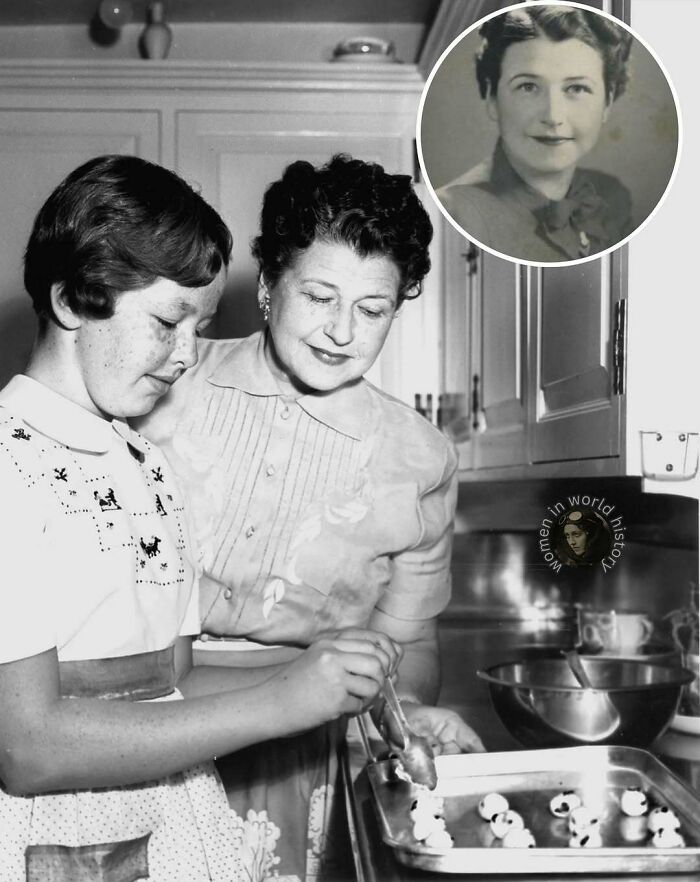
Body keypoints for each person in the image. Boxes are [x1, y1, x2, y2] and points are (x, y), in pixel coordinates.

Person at [0, 154, 400, 882]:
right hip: (50, 849)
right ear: (70, 300)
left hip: (176, 831)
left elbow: (171, 682)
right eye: (166, 322)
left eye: (203, 326)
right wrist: (281, 701)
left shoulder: (145, 463)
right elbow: (28, 747)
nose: (187, 356)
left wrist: (326, 679)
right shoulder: (8, 466)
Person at [137, 153, 485, 881]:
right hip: (142, 731)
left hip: (302, 754)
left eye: (372, 309)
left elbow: (406, 644)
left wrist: (404, 711)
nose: (340, 332)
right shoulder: (163, 388)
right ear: (268, 287)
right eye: (318, 296)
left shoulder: (420, 458)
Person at [436, 5, 634, 262]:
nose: (553, 117)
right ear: (492, 97)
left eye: (576, 88)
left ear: (607, 102)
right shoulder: (454, 212)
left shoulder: (611, 196)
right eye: (528, 86)